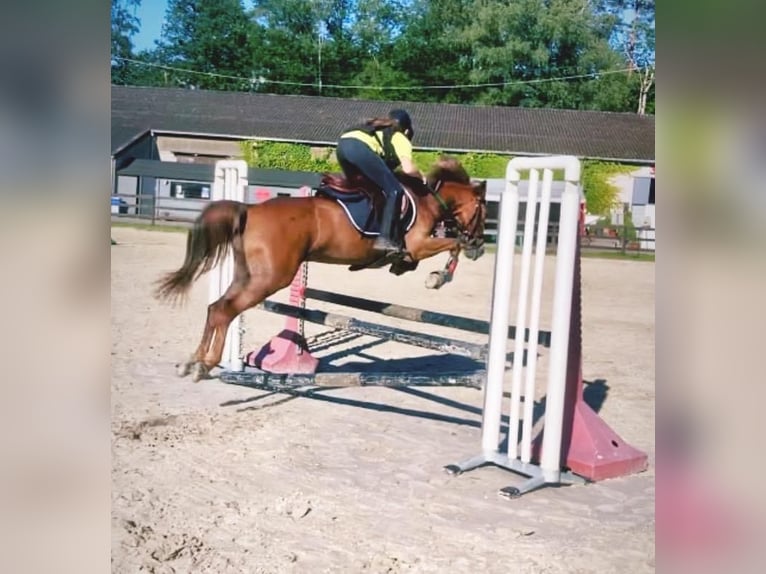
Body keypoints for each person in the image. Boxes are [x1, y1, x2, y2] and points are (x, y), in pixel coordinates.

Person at [336, 109, 424, 253]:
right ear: (407, 131)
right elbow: (408, 169)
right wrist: (421, 177)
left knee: (362, 188)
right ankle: (385, 239)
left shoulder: (379, 130)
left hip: (342, 146)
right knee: (395, 190)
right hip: (359, 148)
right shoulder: (399, 136)